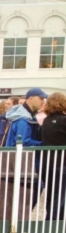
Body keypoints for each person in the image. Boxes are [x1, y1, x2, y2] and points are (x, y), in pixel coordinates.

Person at [4, 87, 47, 209]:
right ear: (31, 99)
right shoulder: (23, 119)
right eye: (41, 98)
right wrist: (43, 144)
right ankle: (22, 216)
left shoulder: (24, 116)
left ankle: (20, 216)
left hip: (20, 162)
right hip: (21, 162)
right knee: (35, 186)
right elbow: (23, 141)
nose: (43, 101)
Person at [40, 92, 66, 221]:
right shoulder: (64, 120)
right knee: (59, 196)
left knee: (51, 195)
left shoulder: (46, 120)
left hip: (48, 162)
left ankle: (54, 224)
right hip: (62, 163)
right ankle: (52, 223)